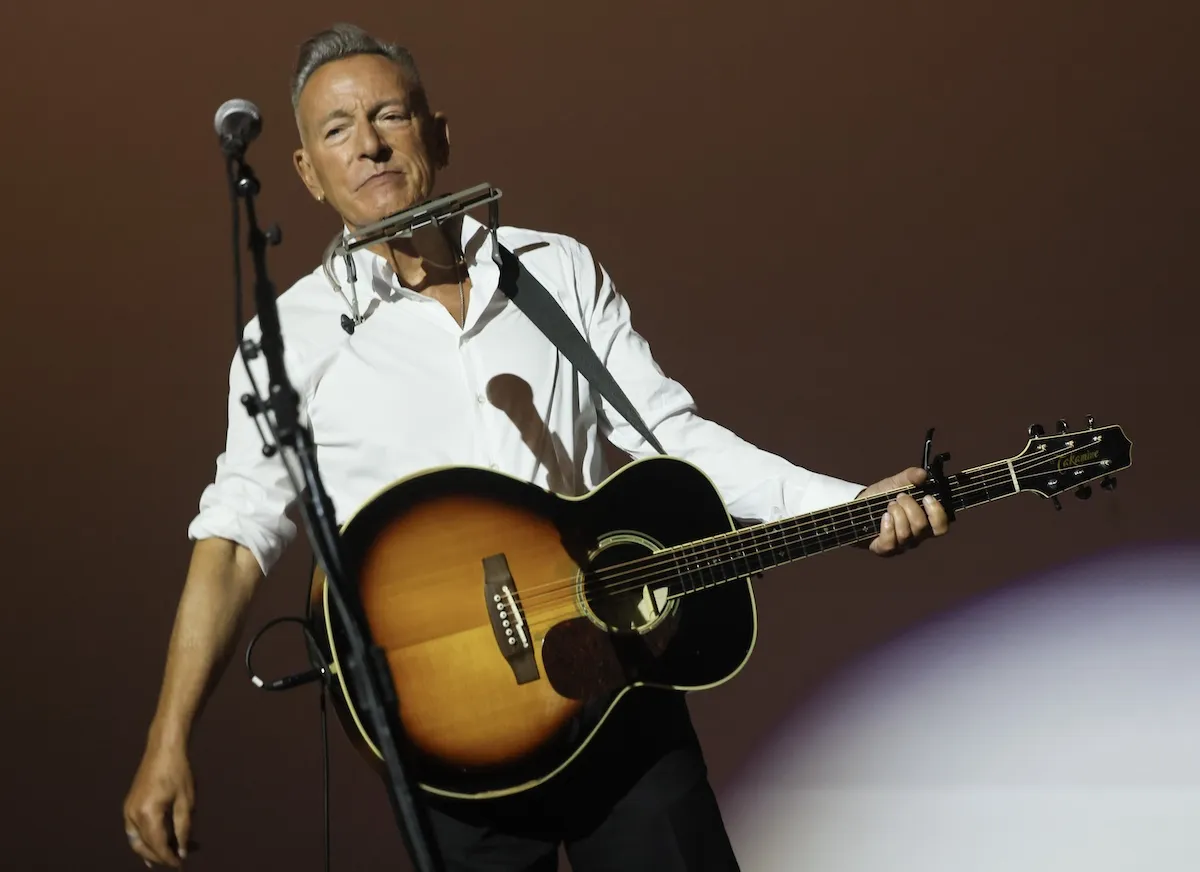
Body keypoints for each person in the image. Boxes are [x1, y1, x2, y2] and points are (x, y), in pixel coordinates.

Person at [122, 23, 950, 872]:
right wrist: (169, 738)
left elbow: (673, 438)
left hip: (620, 689)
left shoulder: (554, 272)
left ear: (437, 133)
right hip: (455, 738)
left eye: (389, 117)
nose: (368, 145)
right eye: (337, 130)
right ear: (307, 172)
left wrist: (843, 506)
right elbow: (232, 541)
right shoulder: (287, 337)